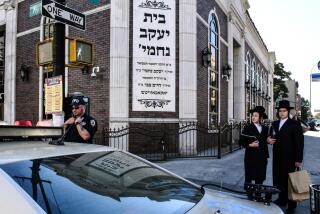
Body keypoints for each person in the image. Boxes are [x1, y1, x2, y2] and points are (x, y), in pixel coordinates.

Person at [267, 100, 304, 214]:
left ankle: (292, 204)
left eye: (284, 111)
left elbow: (299, 143)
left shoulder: (295, 124)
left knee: (290, 180)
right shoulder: (274, 124)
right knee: (279, 179)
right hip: (277, 157)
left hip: (290, 158)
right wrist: (268, 140)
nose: (282, 113)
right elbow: (269, 137)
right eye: (280, 111)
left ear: (288, 112)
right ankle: (282, 199)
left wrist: (298, 159)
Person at [239, 106, 269, 196]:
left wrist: (268, 140)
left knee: (260, 176)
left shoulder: (265, 128)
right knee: (249, 176)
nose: (253, 117)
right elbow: (241, 141)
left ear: (260, 117)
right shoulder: (248, 128)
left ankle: (258, 194)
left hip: (262, 156)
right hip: (251, 156)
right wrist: (250, 145)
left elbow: (265, 140)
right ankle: (249, 194)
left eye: (256, 116)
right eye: (252, 115)